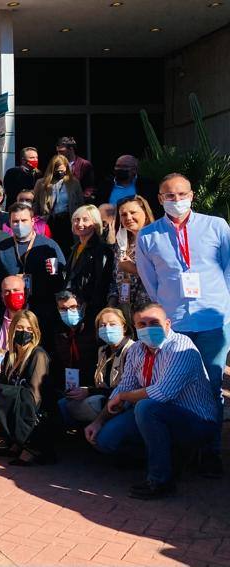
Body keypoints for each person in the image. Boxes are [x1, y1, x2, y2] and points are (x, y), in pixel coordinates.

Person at [135, 173, 229, 475]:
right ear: (160, 199)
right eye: (170, 196)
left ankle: (211, 451)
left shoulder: (216, 226)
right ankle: (181, 450)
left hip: (213, 320)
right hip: (176, 326)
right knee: (175, 388)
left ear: (192, 195)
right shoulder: (149, 235)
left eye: (182, 194)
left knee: (212, 386)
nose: (177, 200)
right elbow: (151, 282)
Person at [86, 304, 221, 499]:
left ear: (168, 324)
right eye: (142, 324)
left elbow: (161, 393)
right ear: (135, 327)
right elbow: (124, 386)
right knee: (105, 440)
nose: (148, 328)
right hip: (157, 414)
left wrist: (123, 398)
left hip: (196, 421)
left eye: (154, 323)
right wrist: (99, 421)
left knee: (146, 407)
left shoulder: (181, 347)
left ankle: (160, 480)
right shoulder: (136, 350)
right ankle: (169, 458)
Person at [0, 308, 53, 465]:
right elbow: (3, 385)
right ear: (12, 330)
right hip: (14, 407)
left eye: (29, 329)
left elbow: (33, 398)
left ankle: (29, 446)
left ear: (35, 332)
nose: (24, 332)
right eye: (20, 328)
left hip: (34, 414)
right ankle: (15, 442)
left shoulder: (38, 355)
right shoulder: (9, 356)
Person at [0, 203, 67, 338]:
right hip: (11, 311)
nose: (19, 225)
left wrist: (54, 273)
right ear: (9, 223)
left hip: (42, 310)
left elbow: (60, 280)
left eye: (23, 220)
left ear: (32, 221)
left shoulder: (48, 245)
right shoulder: (2, 248)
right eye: (15, 221)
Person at [59, 307, 134, 427]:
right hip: (103, 396)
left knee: (95, 403)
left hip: (122, 403)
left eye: (112, 324)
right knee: (64, 402)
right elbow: (100, 383)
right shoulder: (103, 351)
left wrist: (89, 392)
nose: (107, 328)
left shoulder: (132, 350)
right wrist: (84, 389)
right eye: (102, 325)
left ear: (124, 327)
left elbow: (125, 389)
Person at [65, 205, 114, 325]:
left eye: (85, 219)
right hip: (75, 305)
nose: (80, 223)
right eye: (76, 219)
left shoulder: (101, 249)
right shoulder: (76, 247)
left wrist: (90, 308)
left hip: (91, 309)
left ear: (95, 223)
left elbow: (101, 283)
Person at [109, 195, 155, 321]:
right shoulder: (121, 242)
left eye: (133, 212)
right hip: (125, 309)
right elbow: (115, 276)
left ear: (145, 213)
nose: (128, 218)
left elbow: (163, 274)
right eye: (123, 215)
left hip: (150, 310)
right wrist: (112, 302)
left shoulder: (156, 239)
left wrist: (135, 269)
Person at [33, 154, 84, 254]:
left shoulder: (73, 183)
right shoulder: (42, 183)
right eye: (58, 171)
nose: (60, 173)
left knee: (68, 249)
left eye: (62, 171)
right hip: (49, 220)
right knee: (49, 248)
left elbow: (80, 203)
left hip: (68, 220)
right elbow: (35, 203)